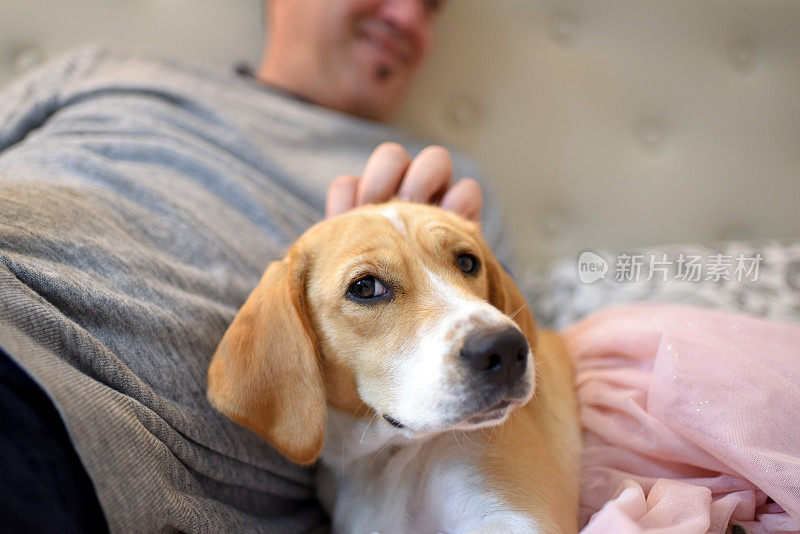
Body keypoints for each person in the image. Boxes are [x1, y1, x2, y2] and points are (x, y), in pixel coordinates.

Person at [0, 1, 511, 532]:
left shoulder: (446, 190)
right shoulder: (102, 71)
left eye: (432, 6)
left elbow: (518, 375)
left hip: (76, 433)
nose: (407, 17)